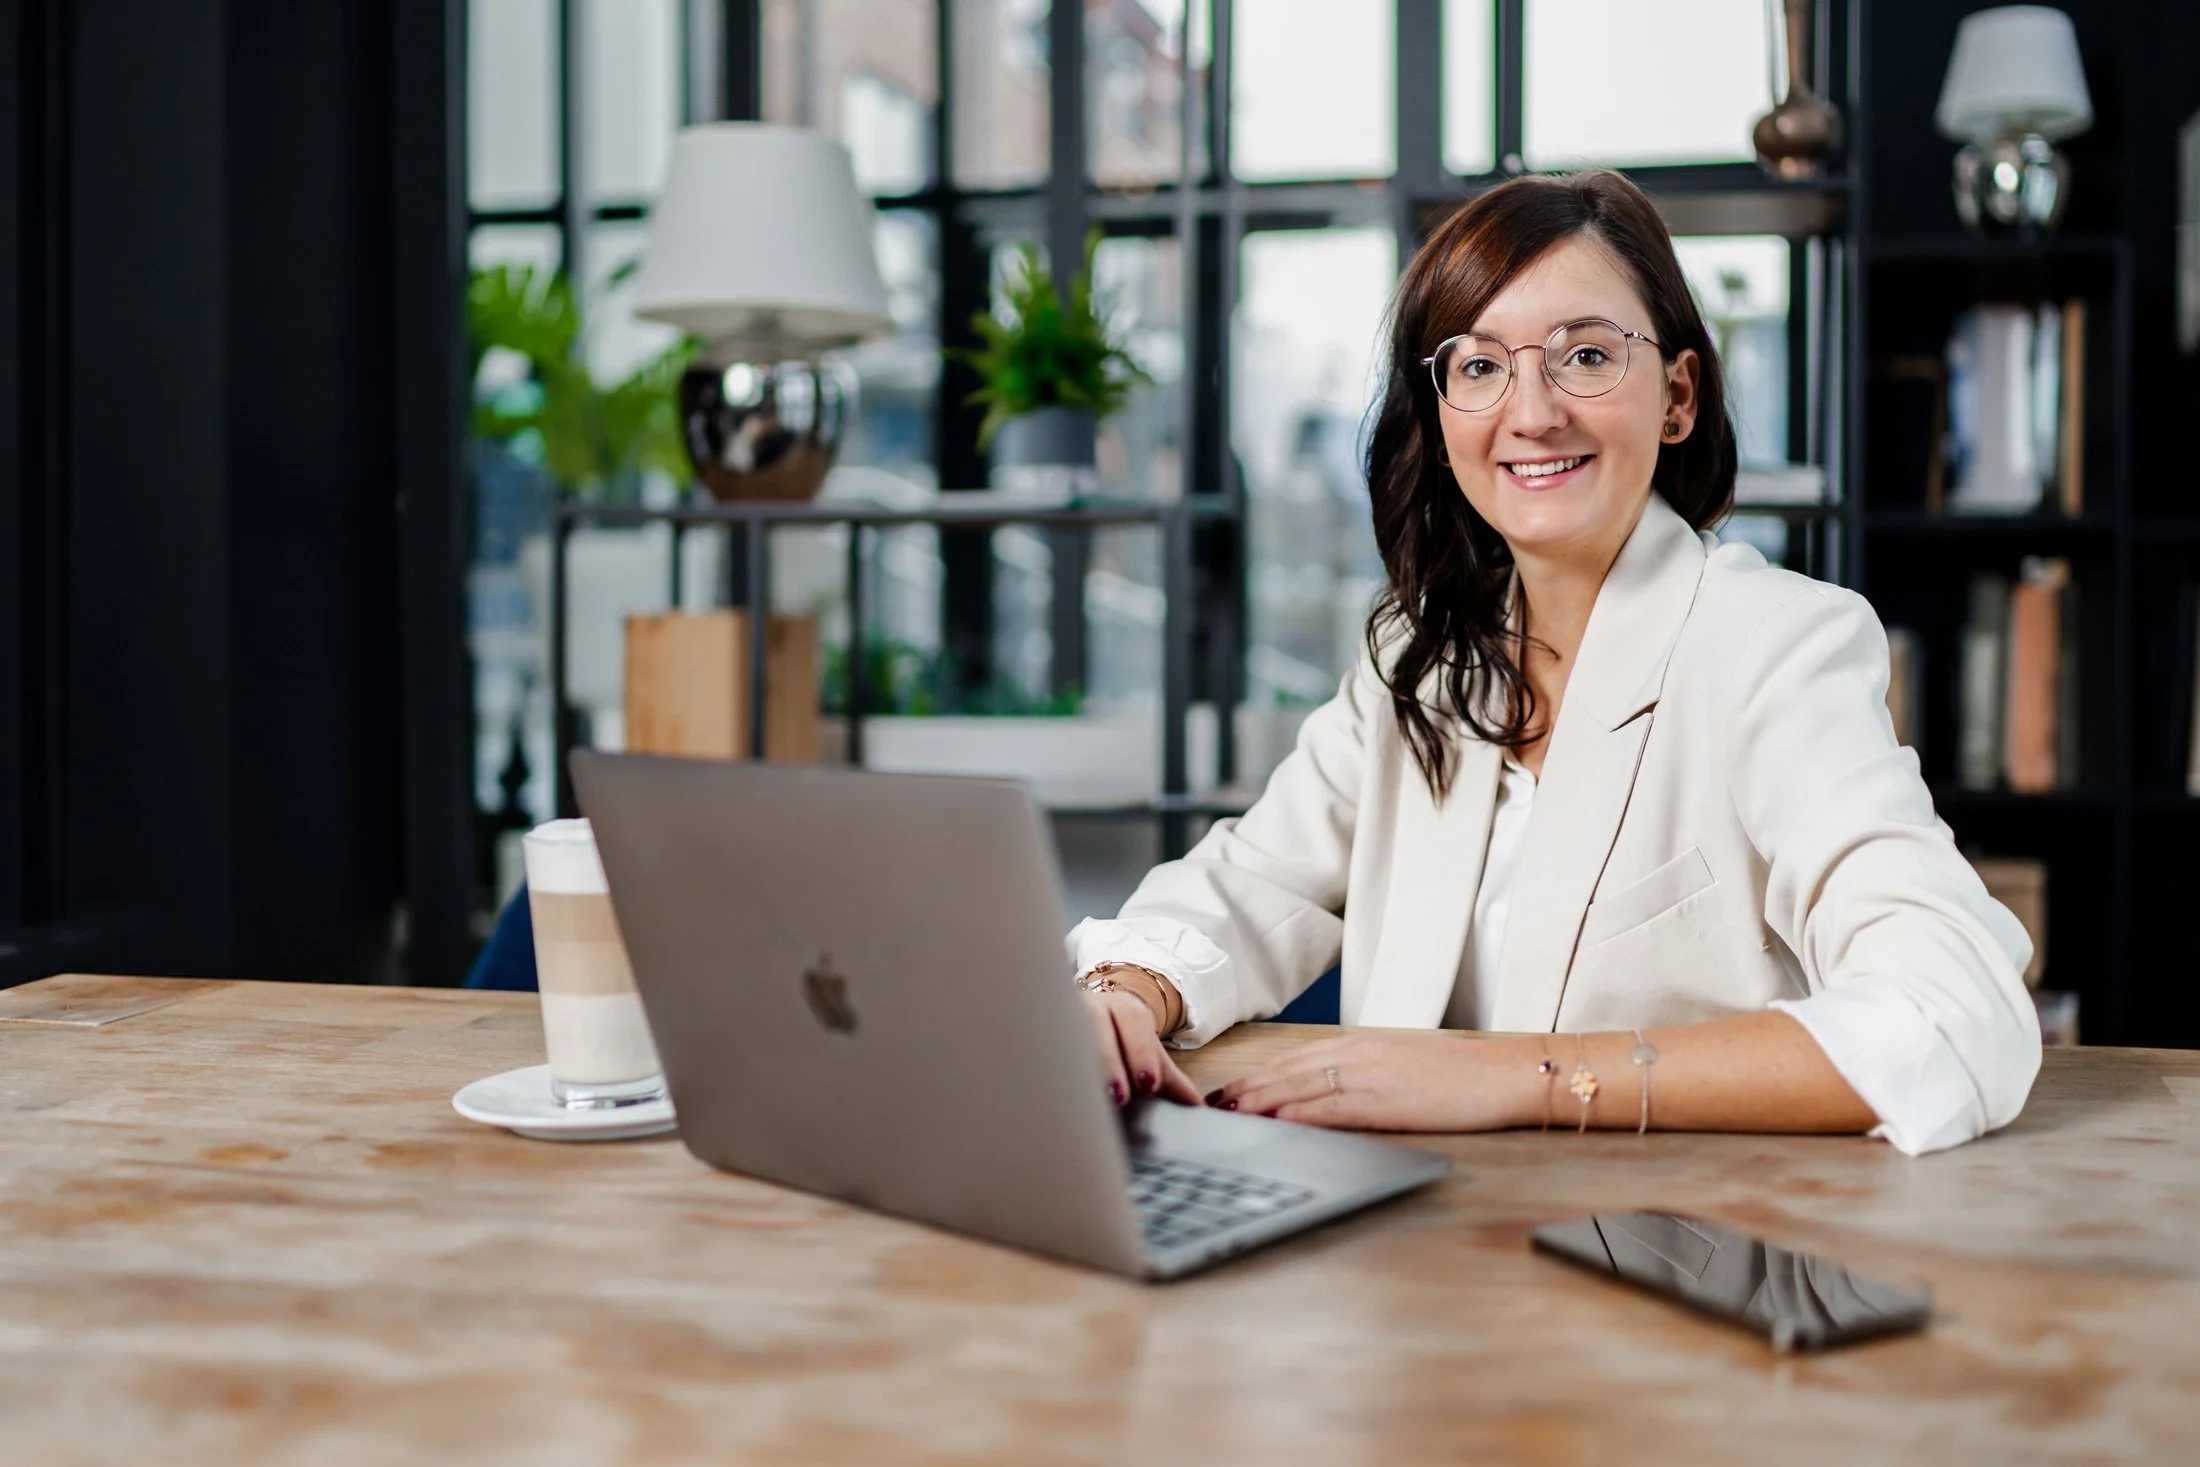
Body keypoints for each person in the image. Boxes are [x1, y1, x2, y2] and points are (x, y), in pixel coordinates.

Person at [1069, 169, 2039, 1155]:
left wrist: (1512, 1075)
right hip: (1398, 1247)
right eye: (1480, 366)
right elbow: (1249, 885)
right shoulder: (1418, 657)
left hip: (1675, 1249)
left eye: (1583, 355)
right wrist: (1124, 995)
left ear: (1677, 394)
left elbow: (1951, 1016)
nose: (1530, 413)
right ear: (1441, 412)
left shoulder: (1774, 644)